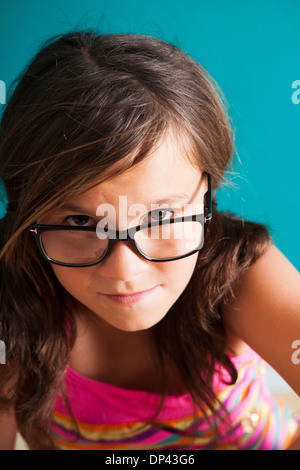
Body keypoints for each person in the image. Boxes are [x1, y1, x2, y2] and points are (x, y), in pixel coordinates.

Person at [0, 31, 299, 451]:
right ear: (25, 212)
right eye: (81, 221)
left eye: (160, 216)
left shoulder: (240, 272)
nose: (124, 271)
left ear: (209, 193)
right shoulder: (12, 307)